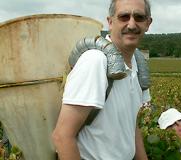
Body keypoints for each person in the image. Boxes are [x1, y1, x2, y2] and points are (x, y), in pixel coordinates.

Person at [52, 0, 152, 160]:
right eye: (124, 16)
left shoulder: (137, 64)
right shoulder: (96, 61)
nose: (132, 24)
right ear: (110, 22)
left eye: (139, 17)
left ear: (148, 23)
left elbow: (131, 127)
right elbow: (62, 136)